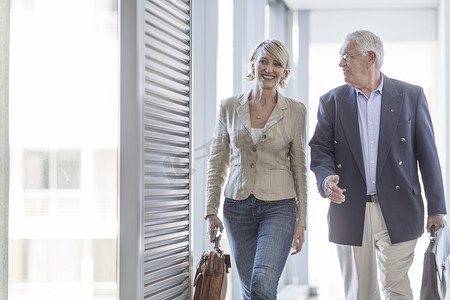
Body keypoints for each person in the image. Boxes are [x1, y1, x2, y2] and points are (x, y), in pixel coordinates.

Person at [309, 30, 447, 300]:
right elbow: (320, 149)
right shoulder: (331, 102)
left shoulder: (410, 96)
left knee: (396, 287)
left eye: (347, 57)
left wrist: (436, 209)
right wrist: (326, 181)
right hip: (350, 209)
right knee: (361, 293)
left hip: (399, 207)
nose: (341, 64)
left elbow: (428, 154)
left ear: (370, 58)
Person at [204, 39, 307, 300]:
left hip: (280, 207)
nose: (269, 68)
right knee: (251, 289)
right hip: (237, 208)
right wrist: (210, 211)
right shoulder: (229, 107)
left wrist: (302, 222)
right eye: (263, 61)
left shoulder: (295, 111)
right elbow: (218, 161)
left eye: (277, 64)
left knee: (262, 283)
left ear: (284, 71)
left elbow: (299, 167)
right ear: (253, 64)